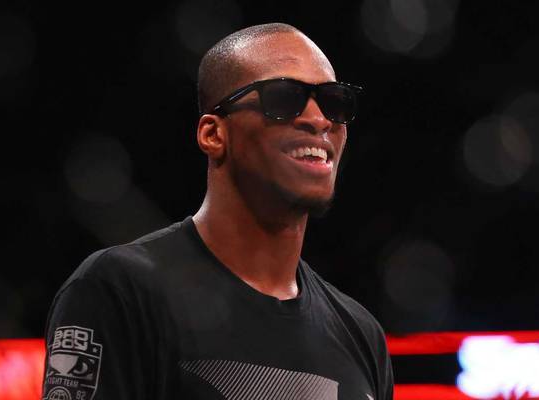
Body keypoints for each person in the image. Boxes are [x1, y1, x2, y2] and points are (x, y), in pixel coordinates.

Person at [41, 23, 393, 400]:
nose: (319, 119)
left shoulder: (361, 334)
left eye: (334, 102)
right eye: (284, 97)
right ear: (213, 134)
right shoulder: (118, 290)